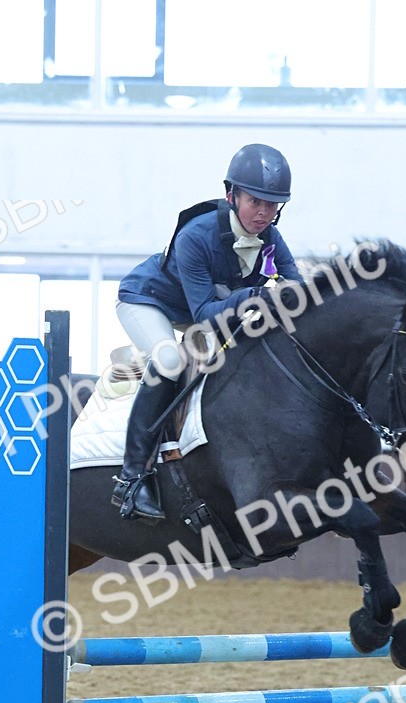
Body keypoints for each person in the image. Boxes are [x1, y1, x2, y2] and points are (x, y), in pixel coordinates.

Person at [112, 143, 302, 521]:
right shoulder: (196, 236)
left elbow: (297, 292)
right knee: (168, 359)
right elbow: (203, 315)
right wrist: (255, 295)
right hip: (149, 302)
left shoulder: (271, 239)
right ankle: (132, 478)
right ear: (232, 194)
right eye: (255, 202)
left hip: (205, 308)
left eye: (273, 204)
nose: (264, 213)